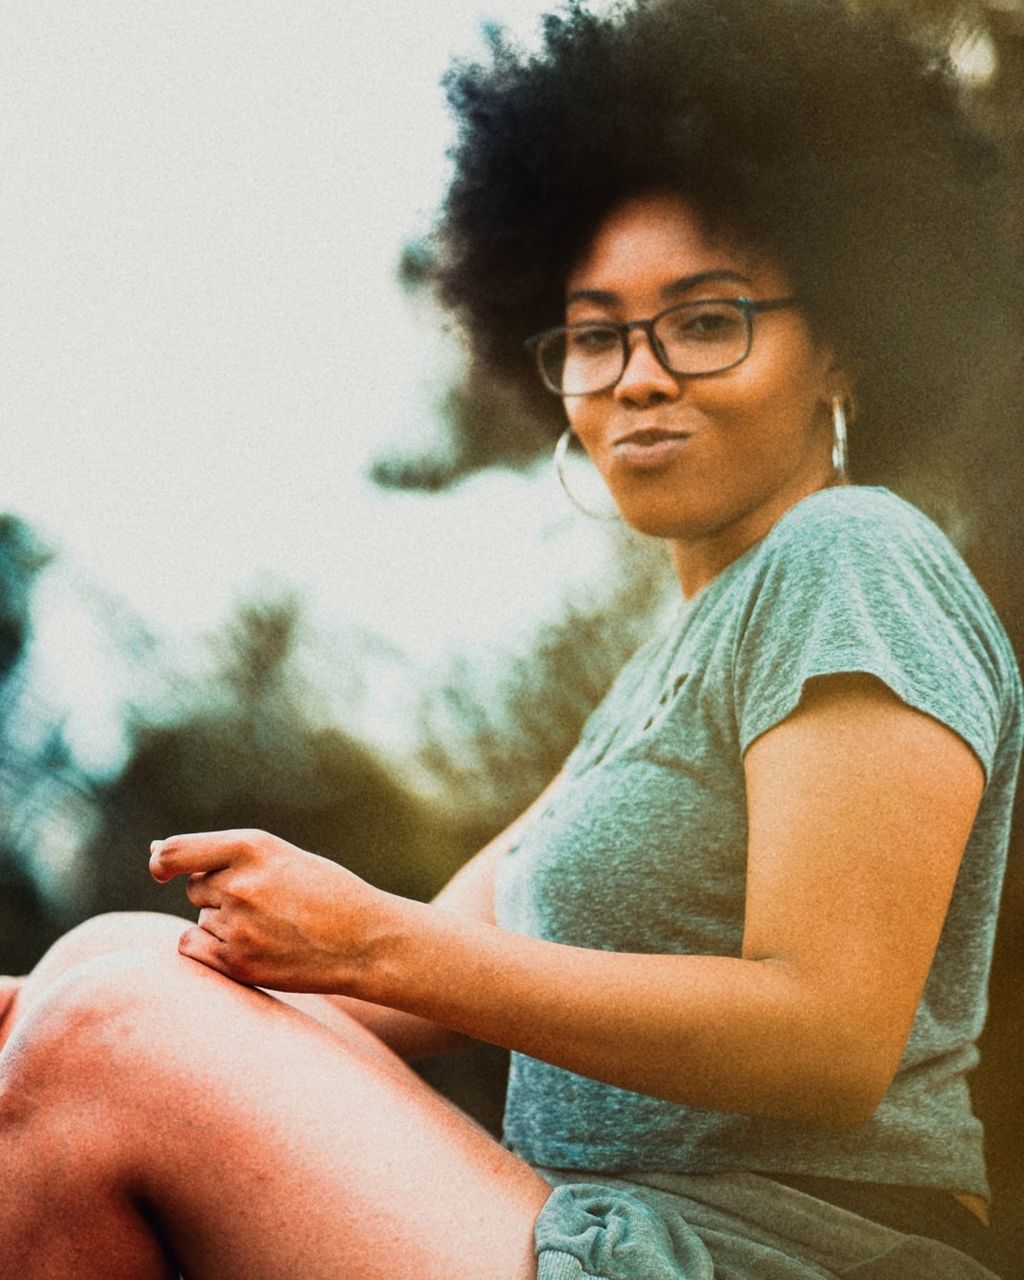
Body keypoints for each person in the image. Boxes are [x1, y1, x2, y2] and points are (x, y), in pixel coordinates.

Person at [1, 0, 1020, 1276]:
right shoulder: (659, 675)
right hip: (587, 1222)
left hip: (777, 1251)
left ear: (846, 350)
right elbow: (366, 986)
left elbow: (830, 1034)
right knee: (106, 964)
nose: (637, 375)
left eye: (705, 319)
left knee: (108, 1014)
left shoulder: (850, 555)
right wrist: (38, 1004)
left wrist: (360, 938)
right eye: (596, 336)